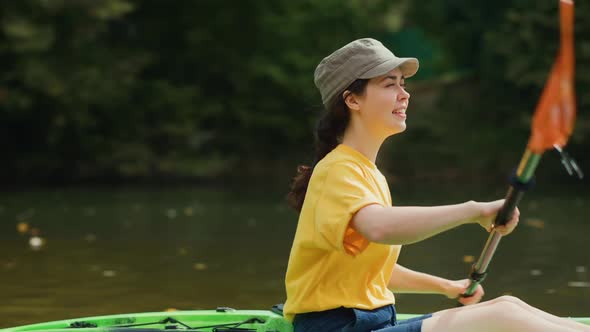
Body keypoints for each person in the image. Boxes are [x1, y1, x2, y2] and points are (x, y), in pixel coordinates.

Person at [283, 38, 590, 332]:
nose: (405, 94)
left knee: (508, 303)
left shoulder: (368, 173)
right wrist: (473, 211)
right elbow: (379, 228)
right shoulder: (337, 169)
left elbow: (368, 269)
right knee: (503, 315)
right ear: (352, 100)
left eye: (403, 84)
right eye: (390, 84)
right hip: (337, 327)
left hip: (371, 323)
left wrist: (445, 287)